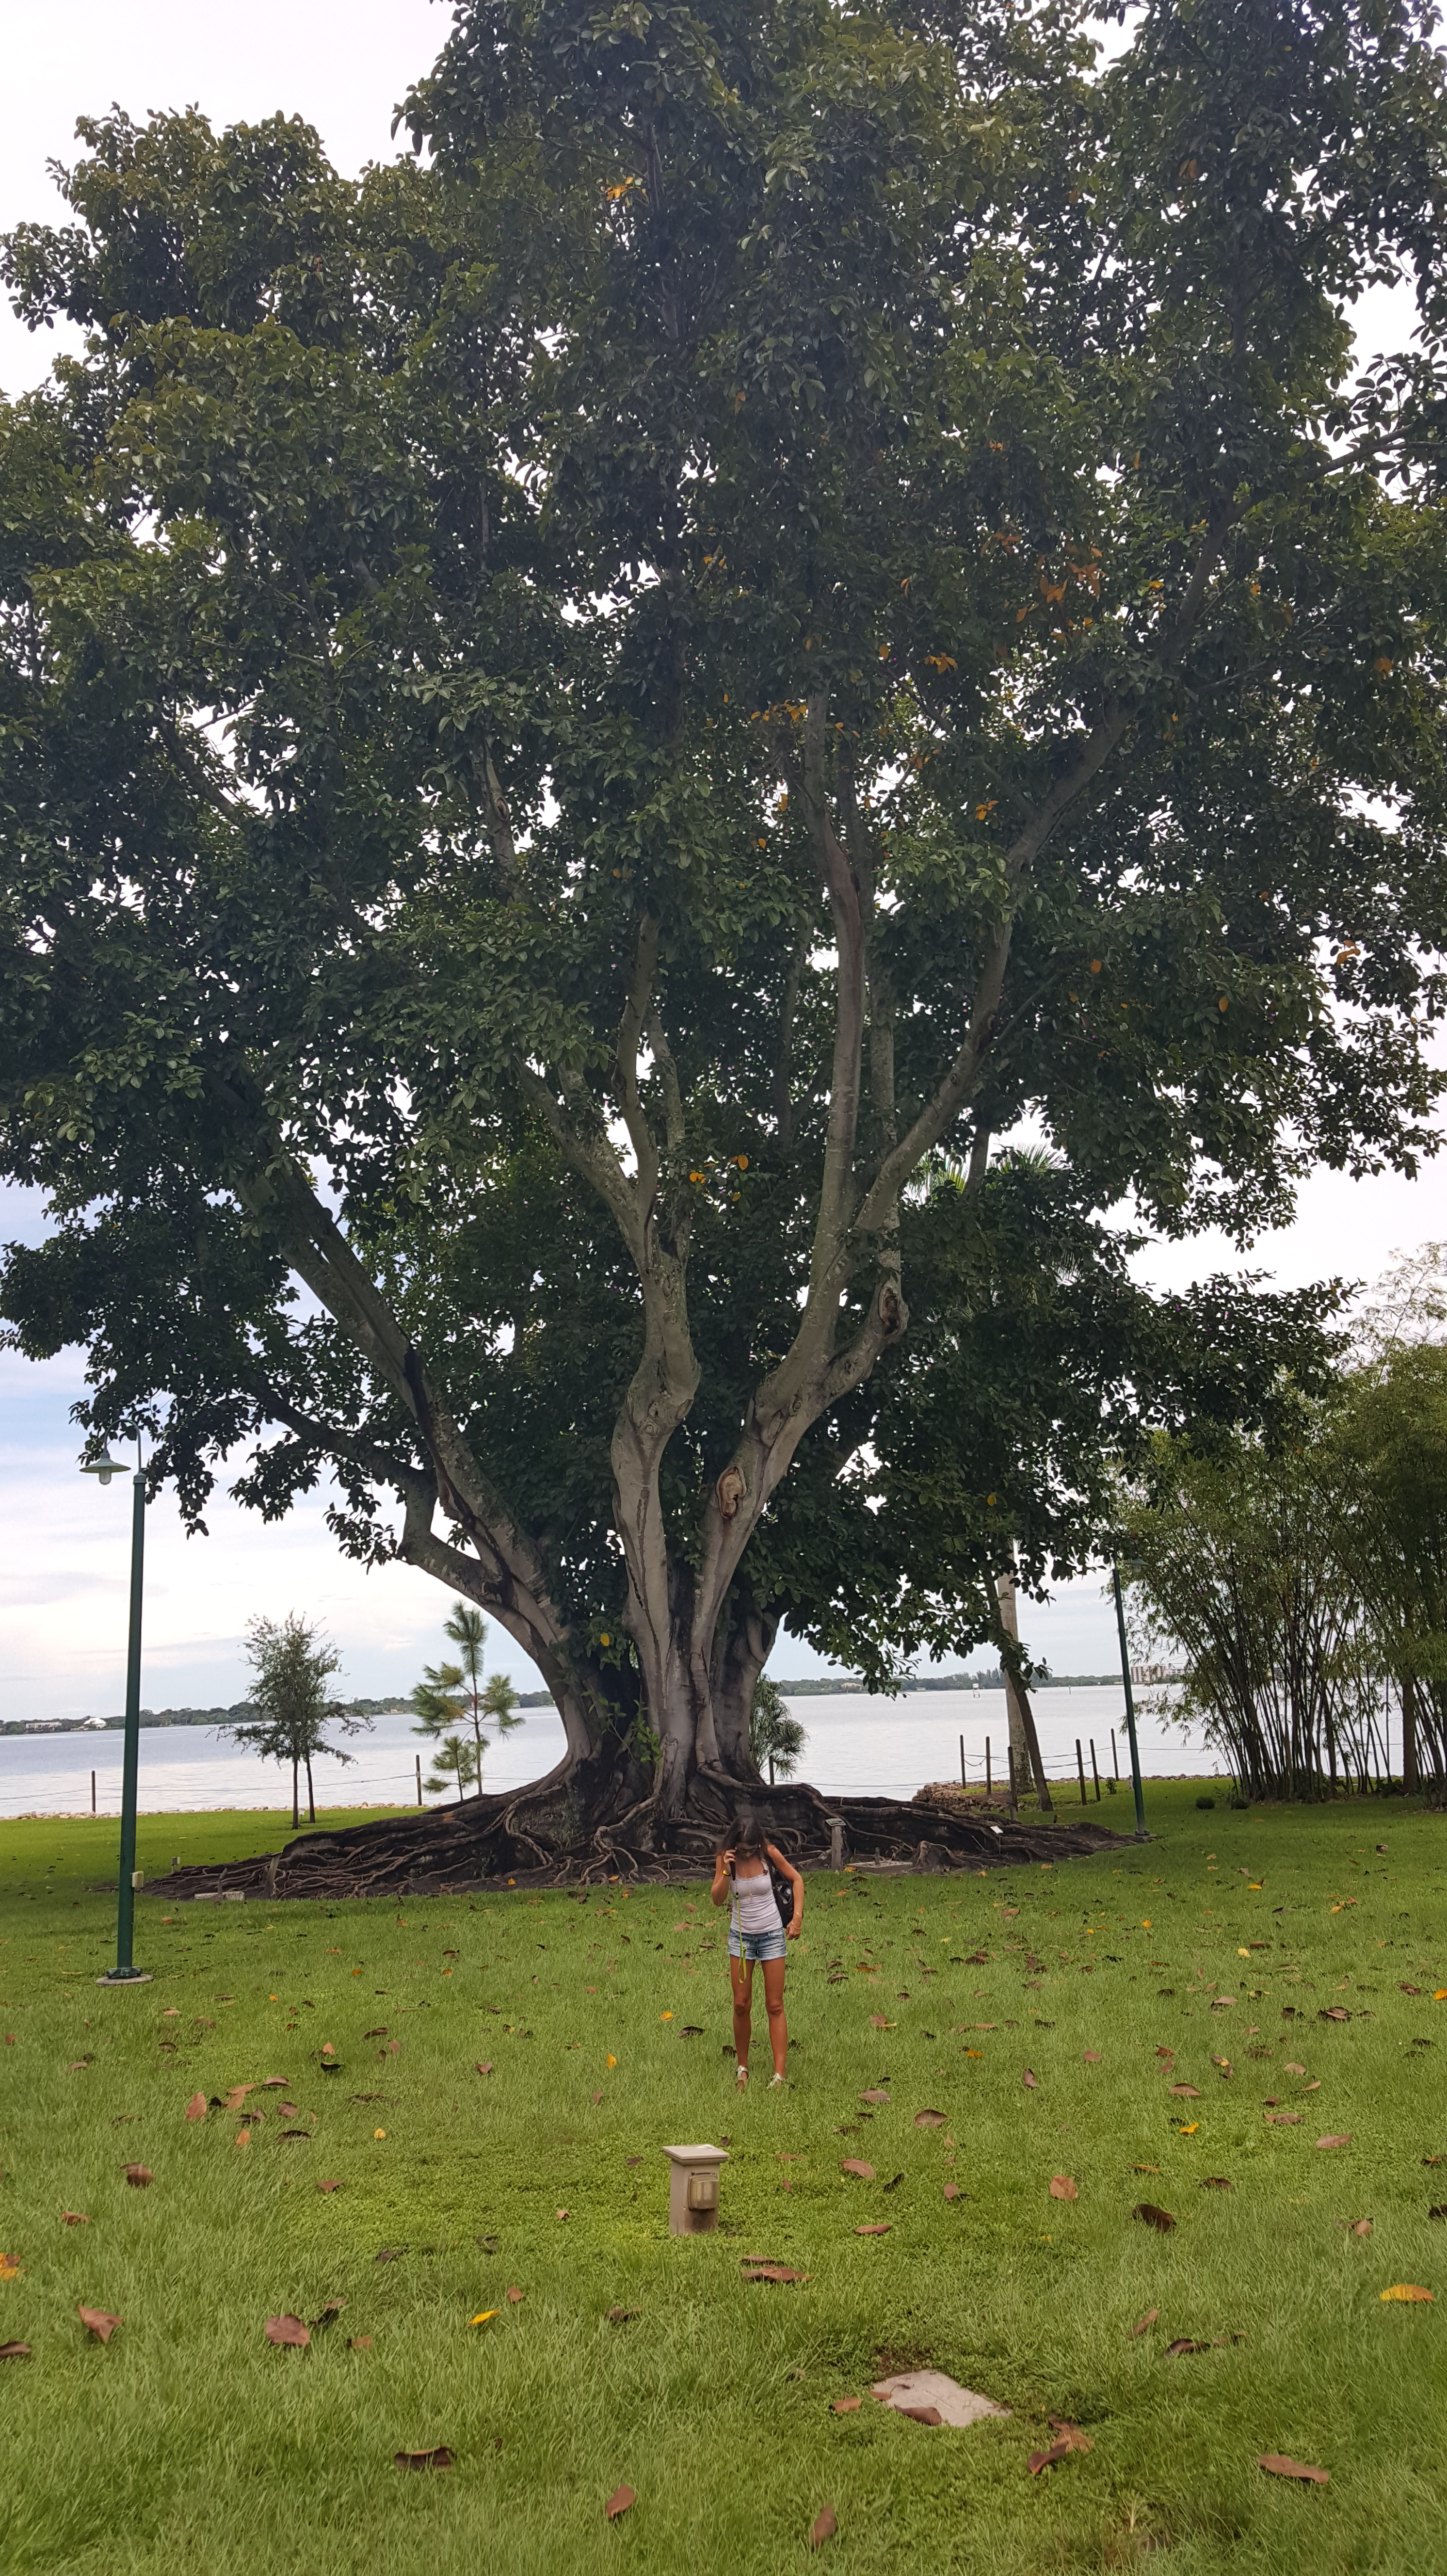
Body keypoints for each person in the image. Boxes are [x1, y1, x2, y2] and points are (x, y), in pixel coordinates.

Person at [710, 1817, 804, 2088]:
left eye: (751, 1849)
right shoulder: (725, 1859)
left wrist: (796, 1918)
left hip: (772, 1935)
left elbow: (797, 1880)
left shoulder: (769, 1854)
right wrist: (727, 1870)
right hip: (741, 1939)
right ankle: (742, 2067)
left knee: (775, 2005)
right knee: (741, 2004)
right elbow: (717, 1900)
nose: (747, 1854)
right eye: (742, 1850)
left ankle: (779, 2074)